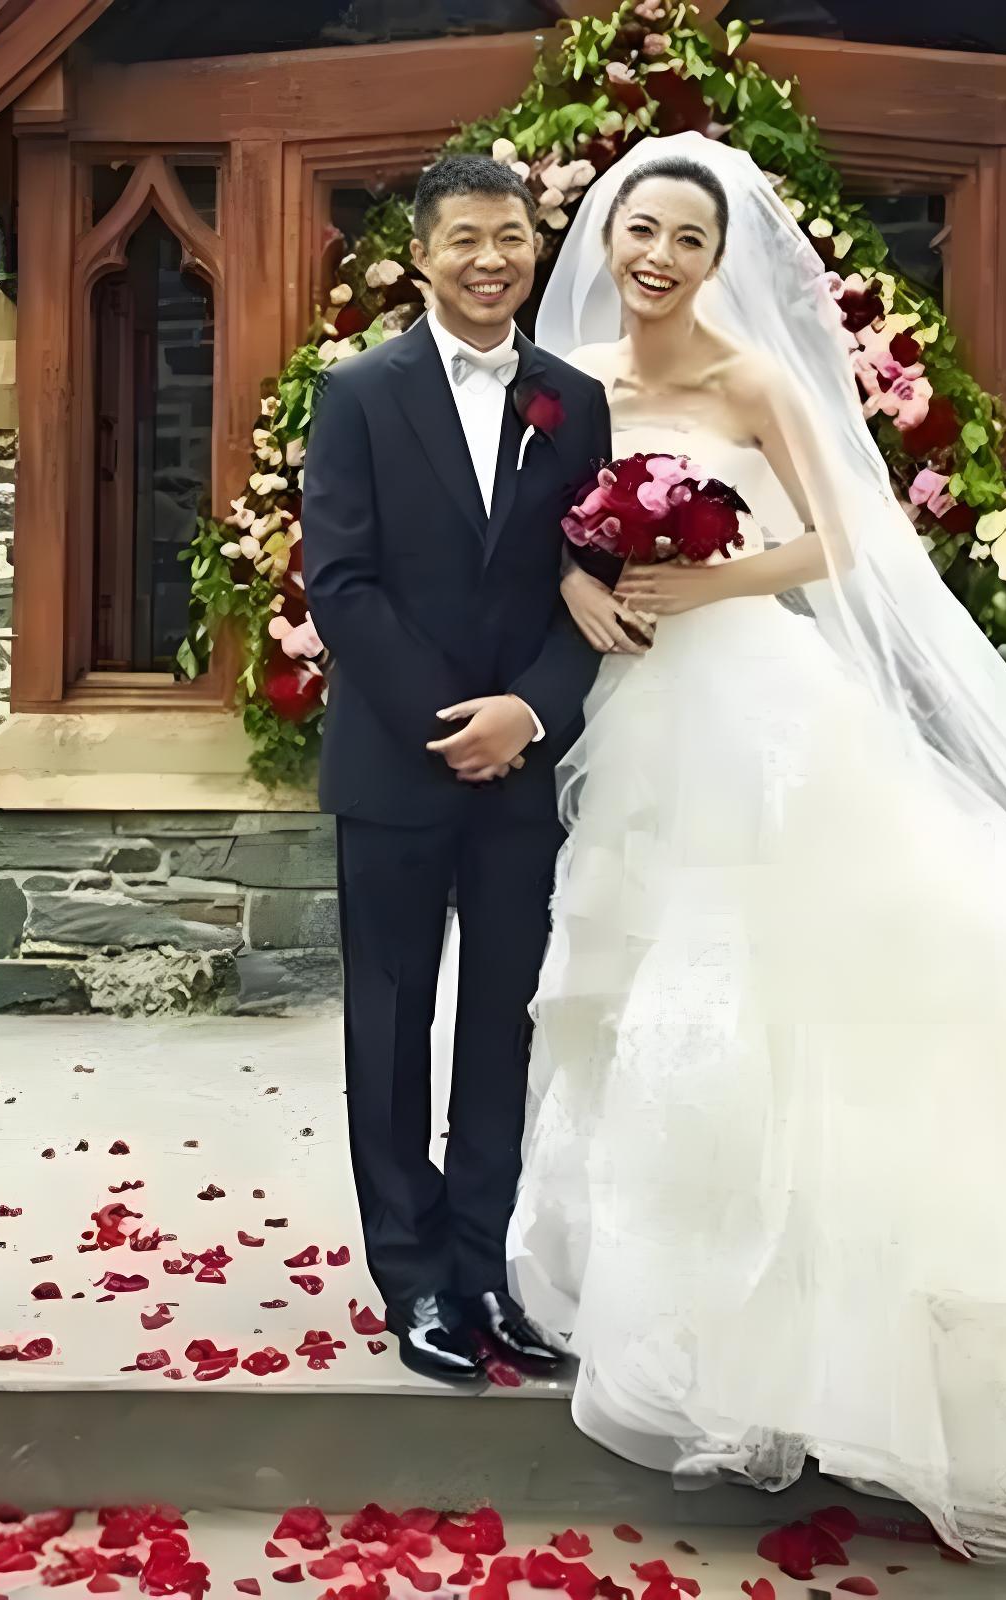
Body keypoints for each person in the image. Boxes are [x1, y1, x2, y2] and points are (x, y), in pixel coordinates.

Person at [482, 132, 1006, 1598]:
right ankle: (696, 1316)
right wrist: (584, 579)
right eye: (643, 231)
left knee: (802, 1003)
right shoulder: (567, 377)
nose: (661, 257)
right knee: (645, 997)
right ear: (609, 237)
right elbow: (525, 531)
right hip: (634, 715)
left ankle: (857, 1337)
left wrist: (706, 577)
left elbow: (845, 541)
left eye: (690, 240)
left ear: (719, 262)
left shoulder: (754, 382)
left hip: (757, 704)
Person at [302, 153, 613, 1384]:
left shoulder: (574, 402)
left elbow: (587, 582)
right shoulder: (359, 396)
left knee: (503, 1024)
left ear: (537, 248)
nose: (492, 259)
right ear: (422, 256)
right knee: (392, 1026)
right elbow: (341, 583)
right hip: (396, 764)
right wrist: (455, 722)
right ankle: (415, 1277)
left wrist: (528, 713)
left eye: (512, 237)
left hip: (524, 770)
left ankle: (486, 1268)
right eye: (466, 239)